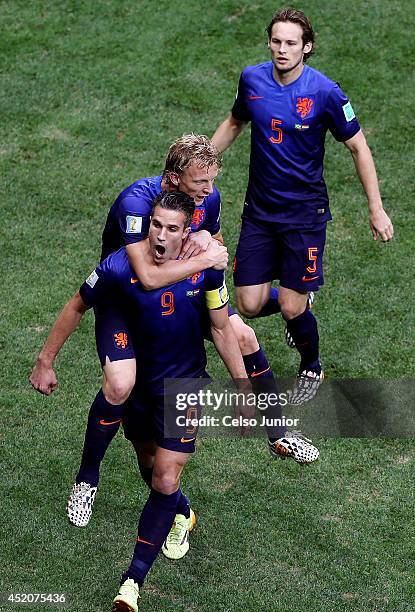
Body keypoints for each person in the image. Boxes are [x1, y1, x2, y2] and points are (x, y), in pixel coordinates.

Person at [30, 136, 317, 531]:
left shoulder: (205, 200)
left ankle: (277, 431)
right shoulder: (135, 204)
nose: (210, 192)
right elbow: (146, 277)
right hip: (126, 299)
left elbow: (214, 247)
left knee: (243, 336)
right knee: (120, 383)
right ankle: (86, 479)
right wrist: (45, 359)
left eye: (212, 181)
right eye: (201, 183)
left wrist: (207, 242)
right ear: (172, 180)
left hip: (181, 293)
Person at [31, 191, 249, 611]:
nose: (160, 236)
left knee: (165, 477)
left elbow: (222, 329)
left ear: (187, 233)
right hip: (143, 390)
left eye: (171, 228)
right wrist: (45, 360)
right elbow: (77, 305)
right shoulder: (121, 266)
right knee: (149, 466)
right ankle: (181, 513)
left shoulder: (203, 270)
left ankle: (131, 582)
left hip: (183, 389)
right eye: (156, 225)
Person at [211, 7, 393, 403]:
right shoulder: (252, 79)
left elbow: (358, 146)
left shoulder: (325, 92)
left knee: (292, 310)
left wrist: (375, 208)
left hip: (303, 216)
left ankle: (311, 363)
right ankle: (302, 295)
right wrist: (202, 164)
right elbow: (234, 122)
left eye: (291, 43)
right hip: (259, 212)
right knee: (250, 303)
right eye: (276, 41)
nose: (282, 49)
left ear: (306, 47)